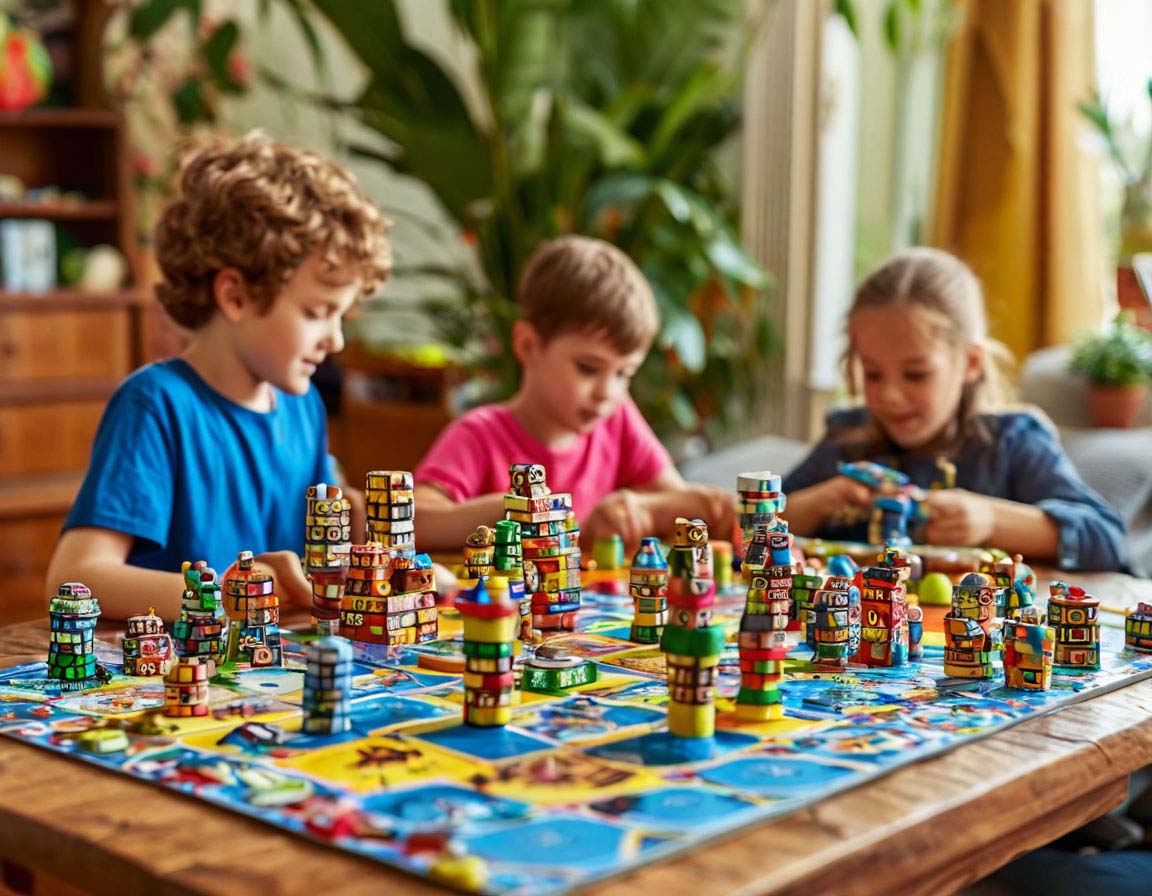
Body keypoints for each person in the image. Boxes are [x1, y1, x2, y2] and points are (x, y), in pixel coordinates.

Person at [45, 133, 391, 618]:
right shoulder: (157, 405)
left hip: (273, 669)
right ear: (235, 295)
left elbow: (319, 554)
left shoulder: (303, 406)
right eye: (317, 312)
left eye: (341, 316)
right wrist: (230, 595)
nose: (335, 340)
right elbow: (75, 577)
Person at [782, 247, 1127, 571]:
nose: (889, 396)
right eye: (873, 374)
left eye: (916, 375)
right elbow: (757, 522)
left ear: (970, 363)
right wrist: (821, 501)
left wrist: (992, 521)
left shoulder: (1011, 443)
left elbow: (1107, 539)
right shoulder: (847, 438)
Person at [413, 235, 736, 552]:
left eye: (624, 373)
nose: (607, 392)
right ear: (528, 345)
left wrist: (639, 507)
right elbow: (415, 522)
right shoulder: (480, 435)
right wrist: (518, 514)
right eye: (588, 368)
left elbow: (678, 502)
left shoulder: (616, 419)